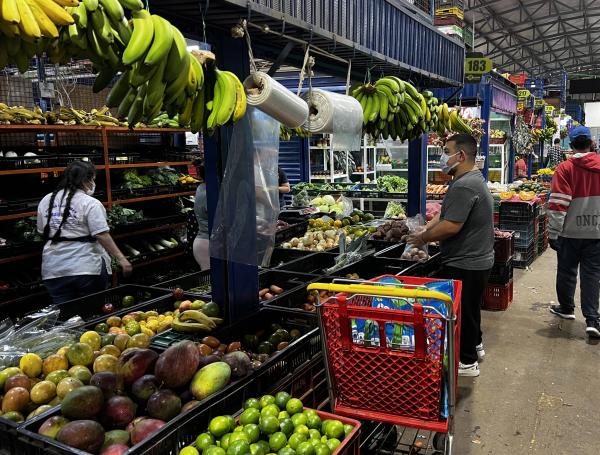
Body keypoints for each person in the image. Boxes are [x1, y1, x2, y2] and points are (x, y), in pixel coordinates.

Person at [407, 134, 494, 377]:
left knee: (463, 312)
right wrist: (427, 227)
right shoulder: (470, 179)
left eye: (446, 151)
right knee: (471, 307)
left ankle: (467, 363)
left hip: (467, 260)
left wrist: (422, 238)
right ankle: (475, 346)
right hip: (479, 258)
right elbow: (446, 214)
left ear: (462, 155)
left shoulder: (465, 184)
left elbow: (452, 225)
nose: (443, 156)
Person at [37, 161, 132, 304]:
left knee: (66, 316)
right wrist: (122, 259)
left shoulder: (46, 200)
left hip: (54, 269)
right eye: (92, 179)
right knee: (90, 313)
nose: (93, 183)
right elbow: (101, 234)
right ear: (84, 180)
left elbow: (41, 231)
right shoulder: (90, 203)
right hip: (85, 268)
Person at [548, 125, 600, 338]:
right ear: (591, 143)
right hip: (596, 232)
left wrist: (553, 233)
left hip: (570, 233)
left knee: (567, 272)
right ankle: (592, 320)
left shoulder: (565, 169)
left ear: (571, 144)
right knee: (592, 275)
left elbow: (558, 204)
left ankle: (567, 308)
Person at [192, 160, 210, 270]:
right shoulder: (208, 192)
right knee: (211, 284)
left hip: (203, 243)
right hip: (206, 245)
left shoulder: (201, 187)